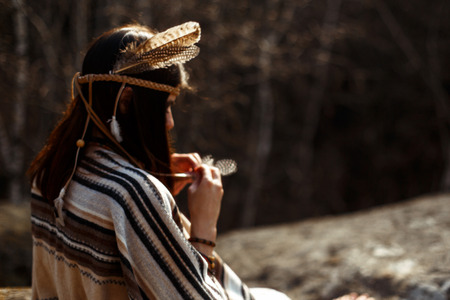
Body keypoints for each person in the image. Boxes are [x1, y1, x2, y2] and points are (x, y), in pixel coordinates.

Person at [27, 22, 291, 300]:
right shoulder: (132, 193)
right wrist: (204, 230)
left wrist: (151, 178)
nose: (170, 123)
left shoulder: (48, 170)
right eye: (165, 106)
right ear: (126, 101)